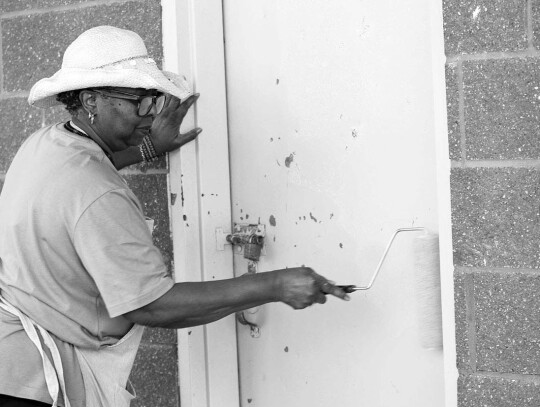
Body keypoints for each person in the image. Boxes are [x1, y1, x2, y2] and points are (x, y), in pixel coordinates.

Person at [0, 26, 349, 407]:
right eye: (139, 102)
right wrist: (276, 285)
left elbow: (85, 171)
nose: (150, 115)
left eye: (154, 100)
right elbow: (150, 305)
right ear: (91, 100)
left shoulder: (45, 145)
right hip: (34, 383)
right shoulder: (98, 193)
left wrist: (148, 147)